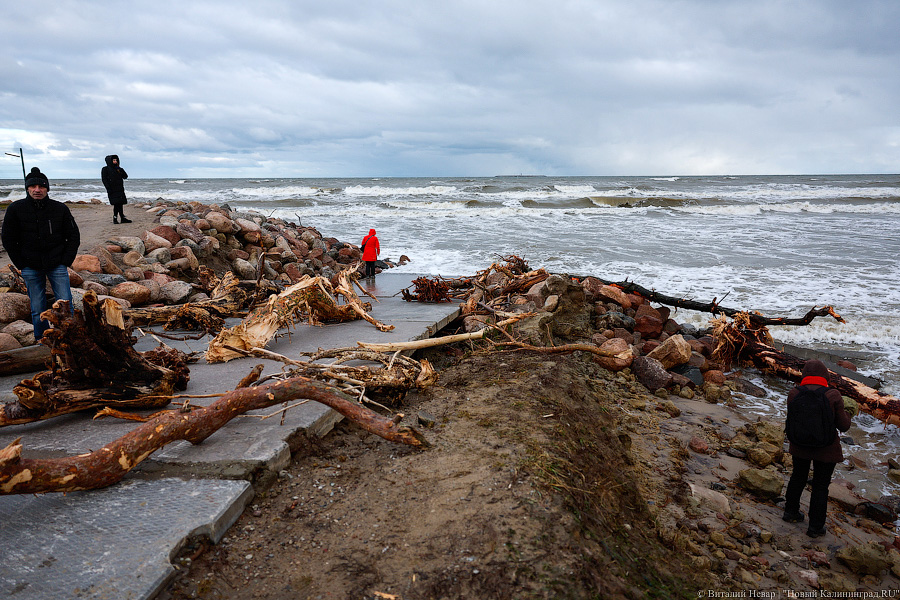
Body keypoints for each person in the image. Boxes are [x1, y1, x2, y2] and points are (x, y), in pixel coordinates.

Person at [1, 167, 80, 340]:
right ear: (27, 188)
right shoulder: (15, 209)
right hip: (30, 265)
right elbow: (8, 238)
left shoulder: (59, 208)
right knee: (37, 308)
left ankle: (70, 339)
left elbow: (73, 235)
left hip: (57, 264)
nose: (37, 190)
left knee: (66, 305)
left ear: (47, 188)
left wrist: (66, 260)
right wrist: (21, 263)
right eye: (33, 186)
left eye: (41, 186)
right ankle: (42, 340)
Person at [782, 359, 851, 537]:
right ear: (825, 376)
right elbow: (844, 426)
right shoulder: (833, 395)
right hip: (826, 449)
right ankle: (815, 527)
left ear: (805, 375)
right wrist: (849, 413)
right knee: (820, 486)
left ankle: (790, 512)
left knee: (798, 477)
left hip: (799, 446)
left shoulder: (794, 393)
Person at [101, 154, 131, 224]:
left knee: (120, 203)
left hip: (120, 189)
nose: (115, 161)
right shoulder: (105, 169)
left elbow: (125, 176)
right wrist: (108, 188)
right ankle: (115, 218)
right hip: (112, 189)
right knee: (116, 204)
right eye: (113, 160)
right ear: (110, 161)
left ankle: (122, 218)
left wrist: (120, 170)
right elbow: (104, 180)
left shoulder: (118, 169)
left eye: (116, 160)